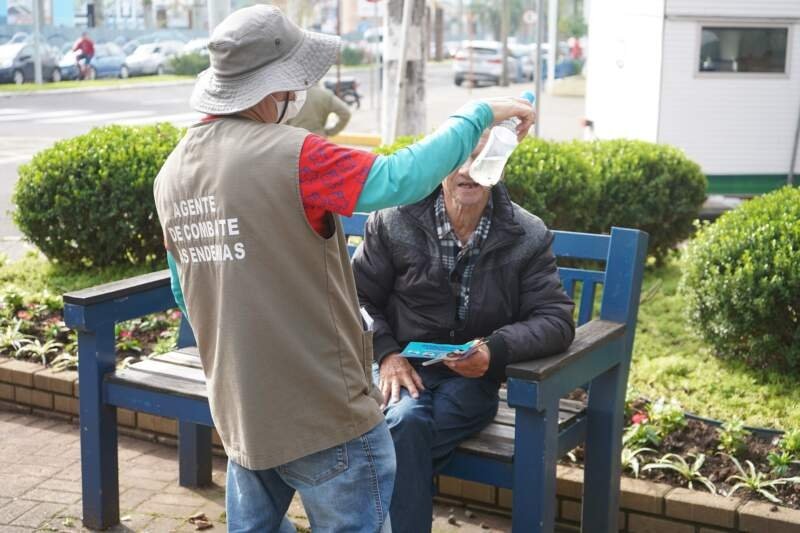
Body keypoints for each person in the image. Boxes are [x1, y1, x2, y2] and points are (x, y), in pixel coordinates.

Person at [154, 5, 534, 533]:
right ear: (274, 88)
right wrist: (479, 114)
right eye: (295, 82)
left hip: (243, 413)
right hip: (323, 415)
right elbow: (399, 179)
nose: (300, 92)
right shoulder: (296, 156)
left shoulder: (171, 174)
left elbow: (185, 293)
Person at [352, 133, 575, 533]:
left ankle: (365, 480)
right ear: (439, 164)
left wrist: (494, 350)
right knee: (404, 421)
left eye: (481, 159)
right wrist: (386, 353)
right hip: (400, 367)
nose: (468, 170)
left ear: (498, 166)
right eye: (457, 158)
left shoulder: (527, 233)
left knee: (400, 439)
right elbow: (356, 297)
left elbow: (555, 319)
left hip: (471, 380)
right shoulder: (393, 221)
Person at [287, 83, 352, 137]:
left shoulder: (292, 94)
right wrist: (330, 132)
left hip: (296, 138)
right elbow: (346, 113)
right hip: (318, 138)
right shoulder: (325, 94)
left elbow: (283, 118)